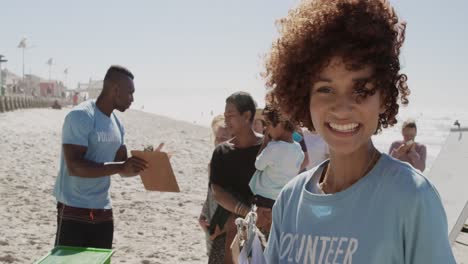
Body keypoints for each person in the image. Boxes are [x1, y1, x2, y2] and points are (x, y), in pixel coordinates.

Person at [262, 0, 455, 263]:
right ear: (303, 97)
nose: (342, 109)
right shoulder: (289, 199)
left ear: (384, 98)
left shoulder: (412, 198)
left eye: (361, 89)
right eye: (325, 89)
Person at [53, 65, 151, 249]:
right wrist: (121, 167)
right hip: (73, 206)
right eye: (130, 93)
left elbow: (123, 166)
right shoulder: (81, 116)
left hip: (103, 209)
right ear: (115, 90)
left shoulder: (117, 124)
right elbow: (75, 167)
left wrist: (149, 161)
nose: (132, 99)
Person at [208, 91, 263, 264]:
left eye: (231, 115)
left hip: (263, 226)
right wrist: (246, 212)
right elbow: (217, 190)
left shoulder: (267, 148)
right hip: (225, 227)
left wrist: (256, 217)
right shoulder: (222, 151)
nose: (226, 121)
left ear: (247, 116)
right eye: (225, 116)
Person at [249, 104, 304, 234]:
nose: (266, 129)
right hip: (280, 201)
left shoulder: (273, 148)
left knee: (255, 238)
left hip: (262, 201)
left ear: (279, 124)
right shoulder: (298, 150)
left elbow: (258, 165)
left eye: (268, 124)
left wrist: (265, 143)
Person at [198, 114, 232, 256]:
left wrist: (226, 226)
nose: (219, 142)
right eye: (217, 138)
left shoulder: (238, 165)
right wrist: (203, 214)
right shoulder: (212, 164)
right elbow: (211, 194)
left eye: (224, 138)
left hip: (229, 226)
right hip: (212, 223)